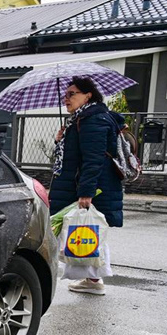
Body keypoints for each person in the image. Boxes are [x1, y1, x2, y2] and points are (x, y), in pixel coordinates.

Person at [49, 76, 125, 296]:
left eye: (72, 94)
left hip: (91, 187)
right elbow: (74, 155)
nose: (66, 99)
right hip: (82, 184)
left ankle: (93, 280)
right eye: (65, 95)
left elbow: (94, 159)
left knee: (86, 230)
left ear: (88, 95)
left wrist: (86, 192)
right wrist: (60, 140)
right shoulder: (81, 119)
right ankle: (92, 279)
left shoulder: (92, 120)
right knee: (86, 231)